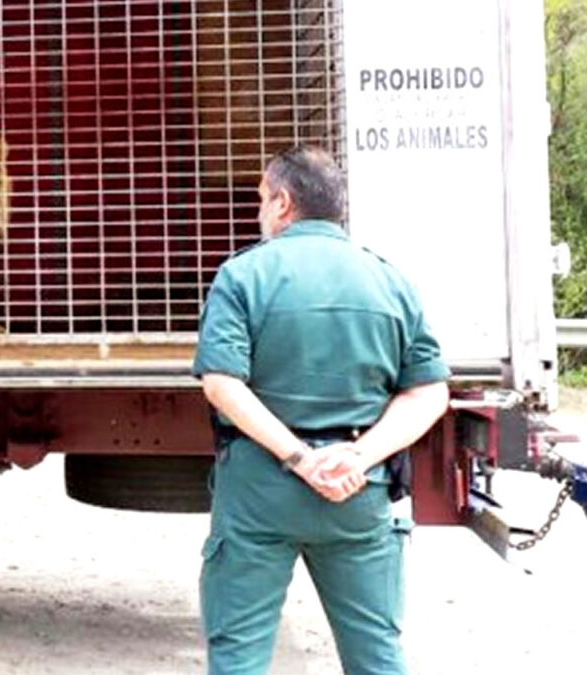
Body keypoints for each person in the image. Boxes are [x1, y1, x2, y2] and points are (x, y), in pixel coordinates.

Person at [193, 146, 450, 675]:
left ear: (284, 203)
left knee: (238, 655)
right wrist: (357, 456)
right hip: (359, 491)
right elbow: (429, 392)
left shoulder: (242, 277)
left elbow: (222, 384)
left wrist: (298, 458)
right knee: (377, 656)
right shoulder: (390, 281)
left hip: (260, 490)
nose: (259, 211)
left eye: (262, 199)